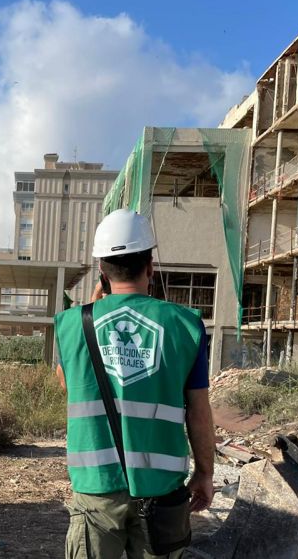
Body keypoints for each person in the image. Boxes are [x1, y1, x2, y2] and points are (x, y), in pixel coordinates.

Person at [54, 209, 215, 559]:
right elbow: (199, 411)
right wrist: (205, 472)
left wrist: (93, 311)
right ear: (150, 266)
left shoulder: (70, 325)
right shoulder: (186, 325)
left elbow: (70, 386)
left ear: (102, 270)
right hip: (162, 490)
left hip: (96, 489)